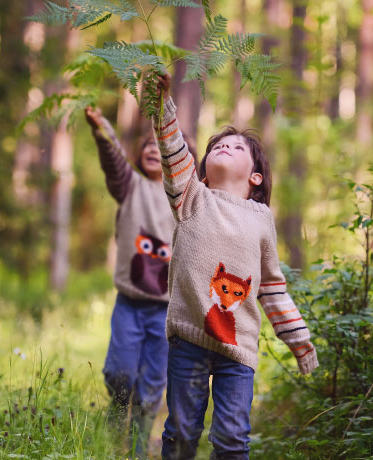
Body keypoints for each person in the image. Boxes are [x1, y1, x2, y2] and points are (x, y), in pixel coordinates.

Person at [148, 75, 318, 460]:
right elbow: (173, 150)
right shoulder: (192, 197)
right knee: (182, 433)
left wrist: (299, 340)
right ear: (203, 170)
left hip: (238, 350)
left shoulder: (261, 219)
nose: (224, 147)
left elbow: (272, 288)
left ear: (255, 176)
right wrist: (162, 105)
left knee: (231, 440)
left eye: (236, 146)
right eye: (218, 146)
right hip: (189, 339)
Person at [85, 105, 175, 459]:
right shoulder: (130, 186)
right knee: (120, 374)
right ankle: (114, 419)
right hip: (130, 303)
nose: (154, 148)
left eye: (161, 144)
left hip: (166, 310)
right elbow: (113, 160)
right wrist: (101, 128)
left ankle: (137, 448)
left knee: (152, 385)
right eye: (147, 144)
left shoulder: (184, 200)